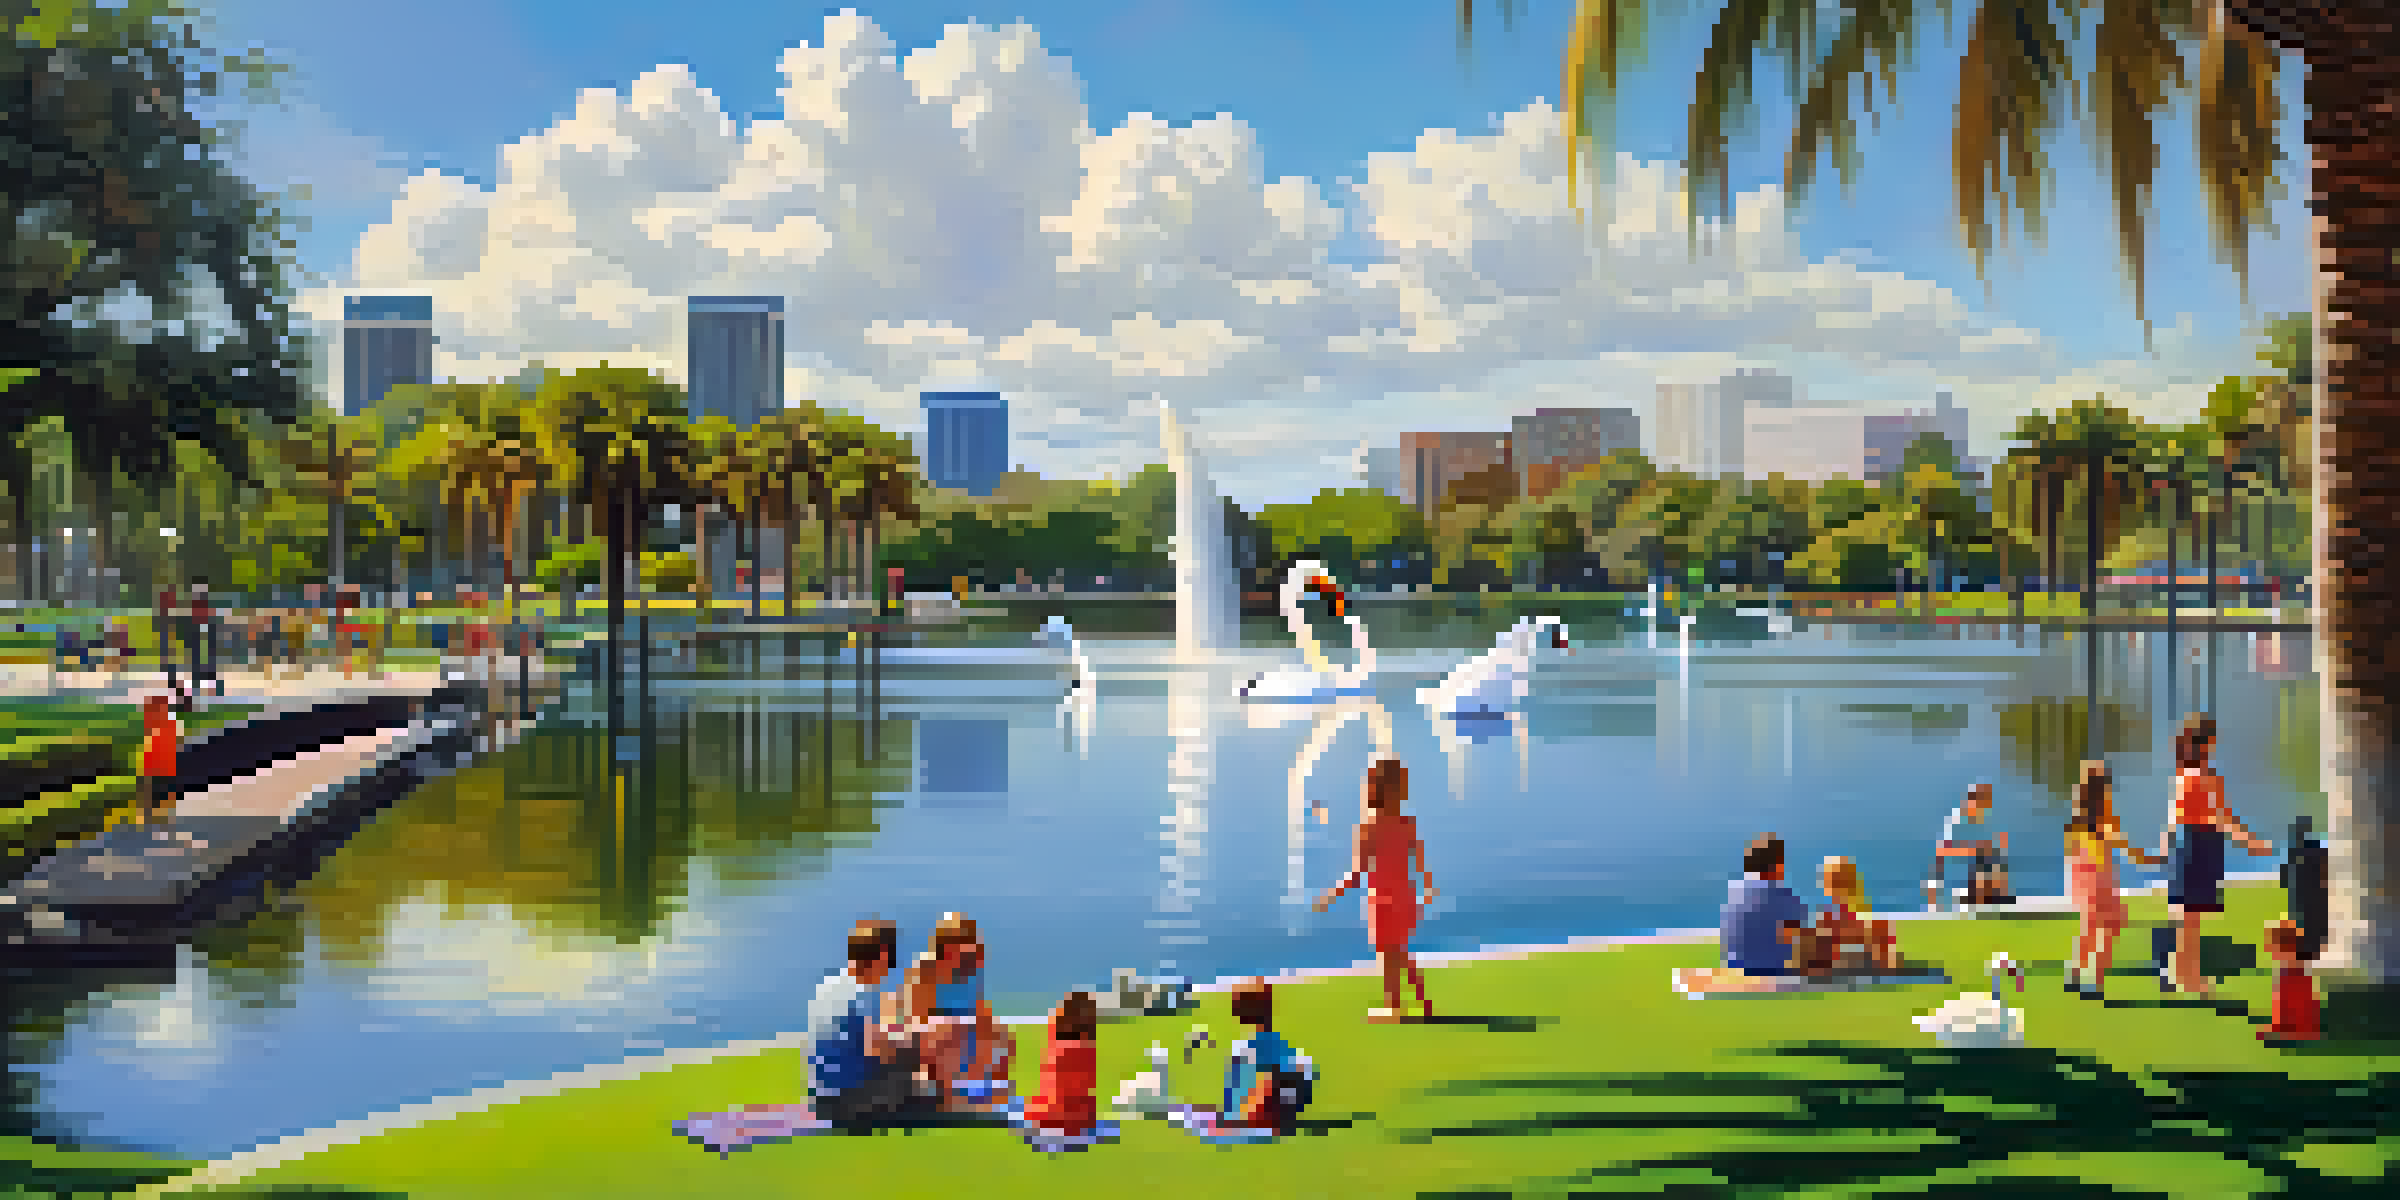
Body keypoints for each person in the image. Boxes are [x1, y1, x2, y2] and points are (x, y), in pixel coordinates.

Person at [2153, 713, 2273, 998]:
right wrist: (2252, 843)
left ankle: (2176, 971)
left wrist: (2164, 847)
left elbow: (2173, 819)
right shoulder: (2207, 779)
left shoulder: (2182, 777)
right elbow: (2223, 818)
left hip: (2183, 845)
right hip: (2200, 845)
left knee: (2184, 915)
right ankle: (2189, 976)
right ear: (2206, 743)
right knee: (2191, 917)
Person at [1314, 755, 1435, 1022]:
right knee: (1400, 951)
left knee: (1387, 955)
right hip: (1405, 898)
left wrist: (1332, 893)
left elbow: (1358, 871)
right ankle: (1423, 1001)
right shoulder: (1407, 823)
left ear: (1372, 789)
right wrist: (1427, 887)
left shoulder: (1369, 826)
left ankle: (1394, 1008)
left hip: (1381, 900)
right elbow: (1419, 859)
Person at [806, 919, 919, 1127]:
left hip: (820, 1100)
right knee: (918, 1073)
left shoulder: (829, 985)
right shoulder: (863, 994)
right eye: (890, 960)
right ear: (881, 956)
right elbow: (879, 1049)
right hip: (849, 1104)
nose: (889, 968)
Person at [2063, 760, 2159, 998]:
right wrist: (2152, 860)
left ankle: (2075, 974)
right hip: (2100, 878)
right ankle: (2095, 982)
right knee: (2109, 927)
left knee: (2090, 927)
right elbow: (2124, 847)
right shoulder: (2105, 818)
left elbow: (2070, 853)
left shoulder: (2077, 819)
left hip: (2080, 877)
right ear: (2103, 789)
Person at [904, 912, 1015, 1112]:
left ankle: (988, 1092)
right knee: (947, 1036)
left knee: (1000, 1035)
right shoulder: (925, 972)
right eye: (958, 942)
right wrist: (952, 1026)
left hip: (965, 1042)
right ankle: (948, 1097)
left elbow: (980, 1011)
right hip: (935, 1046)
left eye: (968, 942)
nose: (965, 949)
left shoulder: (970, 972)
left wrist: (989, 1028)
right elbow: (915, 1025)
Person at [1214, 979, 1314, 1135]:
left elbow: (1262, 1088)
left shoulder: (1253, 1050)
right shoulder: (1253, 1049)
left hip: (1263, 1112)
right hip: (1265, 1109)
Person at [1793, 856, 1898, 975]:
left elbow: (1886, 958)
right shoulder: (1827, 917)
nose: (1834, 886)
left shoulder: (1871, 920)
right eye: (1831, 880)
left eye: (1838, 880)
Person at [1721, 834, 1808, 975]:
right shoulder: (1783, 895)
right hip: (1772, 968)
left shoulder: (1735, 890)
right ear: (1777, 865)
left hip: (1735, 966)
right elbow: (1796, 934)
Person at [1018, 990, 1100, 1137]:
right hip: (1081, 1119)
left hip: (1052, 1116)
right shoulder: (1088, 1049)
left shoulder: (1057, 1047)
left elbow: (1050, 1087)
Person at [1926, 782, 2011, 910]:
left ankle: (1991, 898)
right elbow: (1943, 851)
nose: (1985, 807)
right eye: (1982, 801)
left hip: (1969, 884)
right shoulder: (1956, 822)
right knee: (1986, 854)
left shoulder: (1981, 824)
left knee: (1993, 854)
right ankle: (1984, 899)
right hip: (1952, 884)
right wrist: (1977, 849)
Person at [2260, 917, 2321, 1043]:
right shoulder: (2291, 969)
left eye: (2274, 945)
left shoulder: (2293, 973)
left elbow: (2286, 1003)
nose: (2270, 950)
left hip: (2301, 1027)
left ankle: (2292, 1032)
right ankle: (2288, 1030)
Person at [2281, 815, 2329, 965]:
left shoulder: (2294, 851)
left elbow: (2286, 876)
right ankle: (2309, 954)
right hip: (2308, 894)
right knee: (2308, 924)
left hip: (2302, 894)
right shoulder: (2312, 849)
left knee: (2304, 923)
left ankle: (2308, 954)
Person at [136, 693, 182, 827]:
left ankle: (159, 818)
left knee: (160, 794)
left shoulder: (167, 726)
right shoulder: (155, 726)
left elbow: (173, 745)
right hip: (156, 767)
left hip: (163, 767)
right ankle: (156, 817)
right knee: (155, 794)